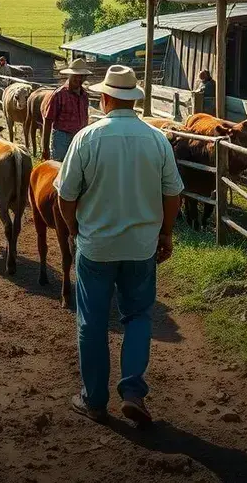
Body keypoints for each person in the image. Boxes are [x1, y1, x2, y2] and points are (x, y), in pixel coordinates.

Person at [55, 64, 184, 426]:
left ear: (106, 97)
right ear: (133, 99)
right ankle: (132, 391)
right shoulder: (156, 139)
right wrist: (166, 232)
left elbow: (65, 195)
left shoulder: (87, 138)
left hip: (96, 246)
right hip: (141, 246)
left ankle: (94, 399)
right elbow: (173, 192)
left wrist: (73, 228)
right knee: (139, 316)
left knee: (92, 323)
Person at [42, 57, 91, 162]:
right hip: (62, 137)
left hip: (80, 137)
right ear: (69, 75)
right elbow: (48, 120)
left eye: (81, 76)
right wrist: (45, 148)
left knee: (78, 168)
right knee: (60, 168)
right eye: (76, 76)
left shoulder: (84, 96)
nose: (78, 79)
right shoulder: (59, 94)